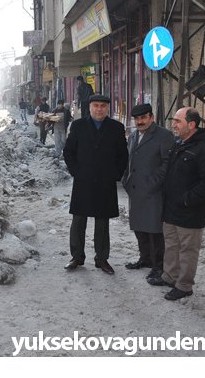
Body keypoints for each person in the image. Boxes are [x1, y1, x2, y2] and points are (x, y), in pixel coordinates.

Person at [148, 107, 205, 300]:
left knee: (188, 250)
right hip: (171, 208)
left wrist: (188, 199)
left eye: (178, 121)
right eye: (174, 120)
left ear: (192, 124)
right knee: (171, 245)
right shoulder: (179, 144)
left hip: (190, 211)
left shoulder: (204, 148)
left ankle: (184, 285)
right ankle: (170, 276)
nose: (174, 125)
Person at [63, 94, 129, 275]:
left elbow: (123, 155)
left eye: (103, 106)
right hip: (83, 181)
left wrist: (115, 175)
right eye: (96, 105)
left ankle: (102, 259)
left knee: (102, 222)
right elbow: (68, 152)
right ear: (90, 107)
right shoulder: (78, 126)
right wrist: (76, 172)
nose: (99, 109)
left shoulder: (116, 127)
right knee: (78, 221)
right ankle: (77, 257)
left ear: (108, 108)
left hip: (105, 182)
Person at [121, 103, 175, 281]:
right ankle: (145, 259)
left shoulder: (164, 135)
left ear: (151, 117)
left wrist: (153, 183)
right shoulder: (133, 136)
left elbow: (167, 163)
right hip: (135, 190)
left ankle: (158, 266)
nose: (140, 122)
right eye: (136, 119)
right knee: (139, 227)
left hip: (154, 192)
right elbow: (130, 161)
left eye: (143, 118)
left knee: (154, 231)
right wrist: (126, 180)